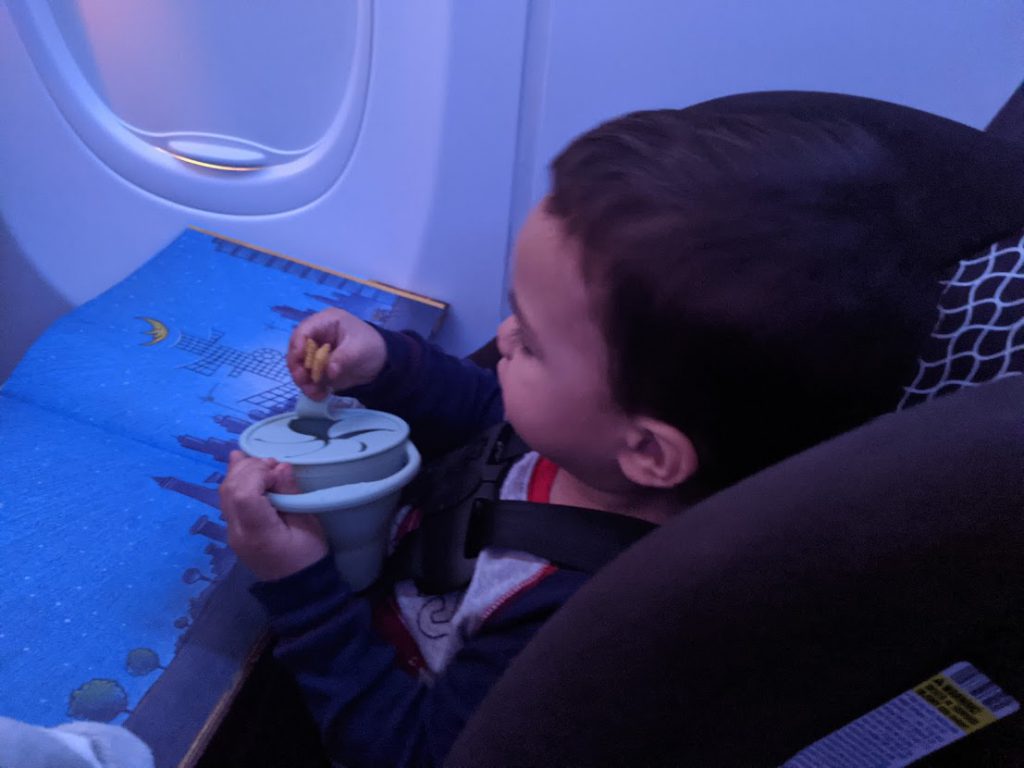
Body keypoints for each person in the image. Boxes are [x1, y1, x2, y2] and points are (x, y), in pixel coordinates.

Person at [220, 106, 952, 766]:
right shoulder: (596, 449)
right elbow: (494, 424)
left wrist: (302, 589)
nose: (503, 335)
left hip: (368, 696)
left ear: (649, 452)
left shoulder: (576, 623)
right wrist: (387, 366)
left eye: (532, 343)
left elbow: (410, 752)